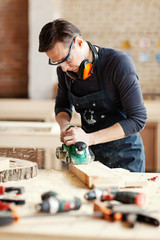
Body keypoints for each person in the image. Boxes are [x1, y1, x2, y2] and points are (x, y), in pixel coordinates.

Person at [38, 18, 147, 172]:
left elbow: (138, 119)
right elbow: (62, 107)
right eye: (56, 62)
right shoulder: (65, 71)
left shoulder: (117, 63)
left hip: (126, 156)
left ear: (79, 42)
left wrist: (89, 138)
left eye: (66, 59)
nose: (63, 69)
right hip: (90, 156)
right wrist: (65, 126)